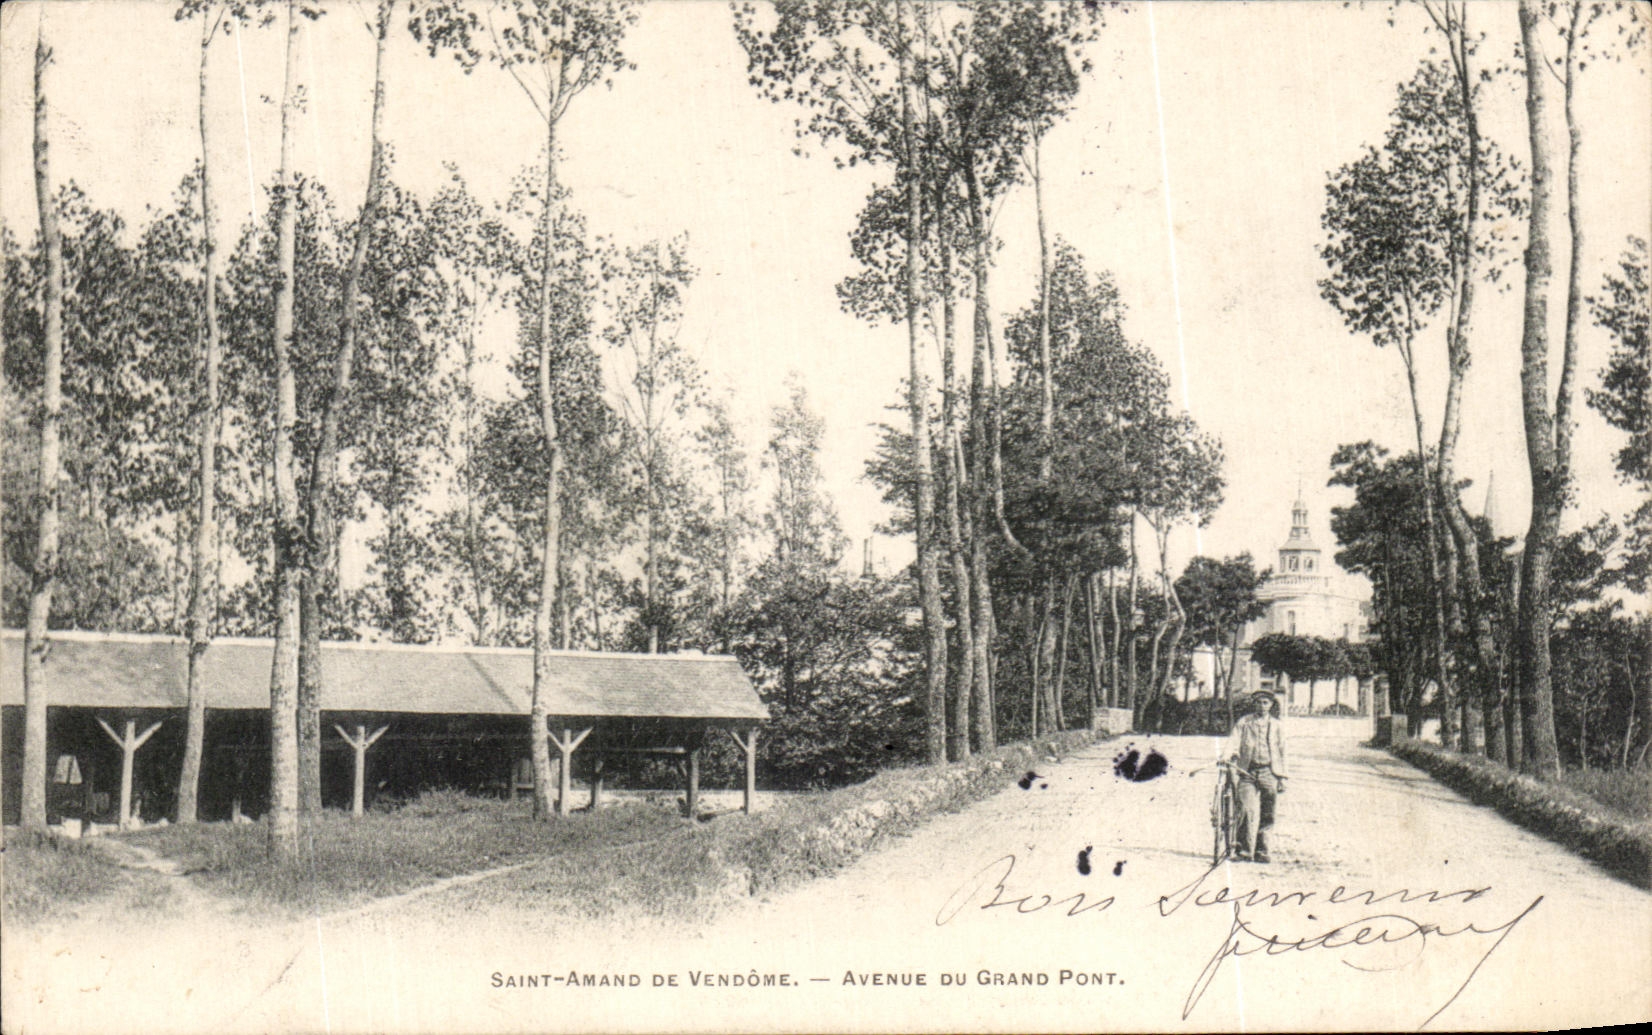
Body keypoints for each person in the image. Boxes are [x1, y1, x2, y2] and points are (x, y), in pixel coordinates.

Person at [1224, 690, 1287, 862]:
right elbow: (1233, 740)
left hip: (1269, 771)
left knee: (1268, 812)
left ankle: (1262, 850)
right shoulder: (1244, 722)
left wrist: (1282, 777)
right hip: (1247, 771)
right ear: (1254, 704)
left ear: (1271, 705)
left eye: (1266, 702)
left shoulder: (1277, 726)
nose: (1262, 706)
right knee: (1245, 808)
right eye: (1259, 702)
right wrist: (1228, 755)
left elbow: (1283, 751)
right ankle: (1243, 850)